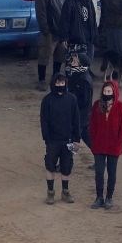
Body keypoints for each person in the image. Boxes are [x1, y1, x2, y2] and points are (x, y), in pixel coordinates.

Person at [40, 74, 81, 205]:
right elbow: (44, 120)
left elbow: (76, 120)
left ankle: (65, 191)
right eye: (57, 83)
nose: (60, 85)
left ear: (65, 84)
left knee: (66, 166)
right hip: (52, 141)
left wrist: (76, 139)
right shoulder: (47, 100)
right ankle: (50, 192)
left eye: (62, 83)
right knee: (50, 166)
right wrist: (47, 138)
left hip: (67, 140)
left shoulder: (72, 99)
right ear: (53, 84)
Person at [88, 80, 122, 209]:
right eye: (105, 91)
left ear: (114, 92)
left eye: (109, 91)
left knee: (111, 172)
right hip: (99, 145)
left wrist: (118, 141)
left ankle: (109, 197)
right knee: (99, 172)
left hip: (113, 146)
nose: (107, 93)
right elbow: (92, 125)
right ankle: (99, 197)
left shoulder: (120, 107)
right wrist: (94, 139)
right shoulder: (96, 105)